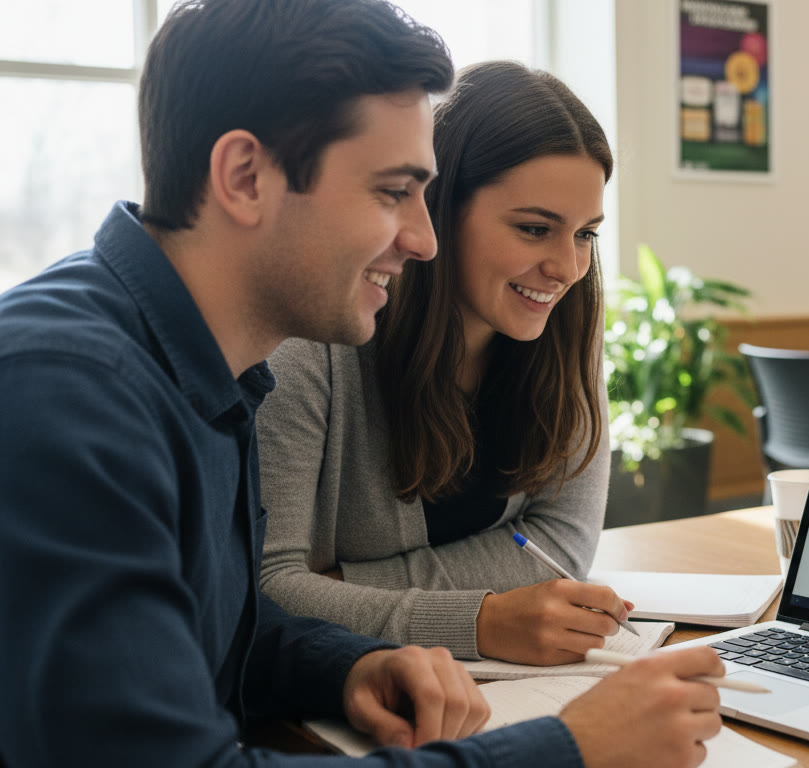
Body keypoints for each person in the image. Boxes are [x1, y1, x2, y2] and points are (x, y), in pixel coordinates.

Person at [0, 2, 723, 767]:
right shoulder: (69, 395)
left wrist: (344, 664)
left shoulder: (207, 368)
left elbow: (220, 628)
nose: (423, 238)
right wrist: (570, 751)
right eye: (392, 192)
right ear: (245, 177)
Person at [257, 61, 619, 667]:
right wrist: (475, 620)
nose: (567, 267)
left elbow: (561, 546)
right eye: (535, 229)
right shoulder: (312, 348)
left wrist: (342, 584)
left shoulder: (566, 336)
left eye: (586, 234)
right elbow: (267, 589)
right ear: (436, 210)